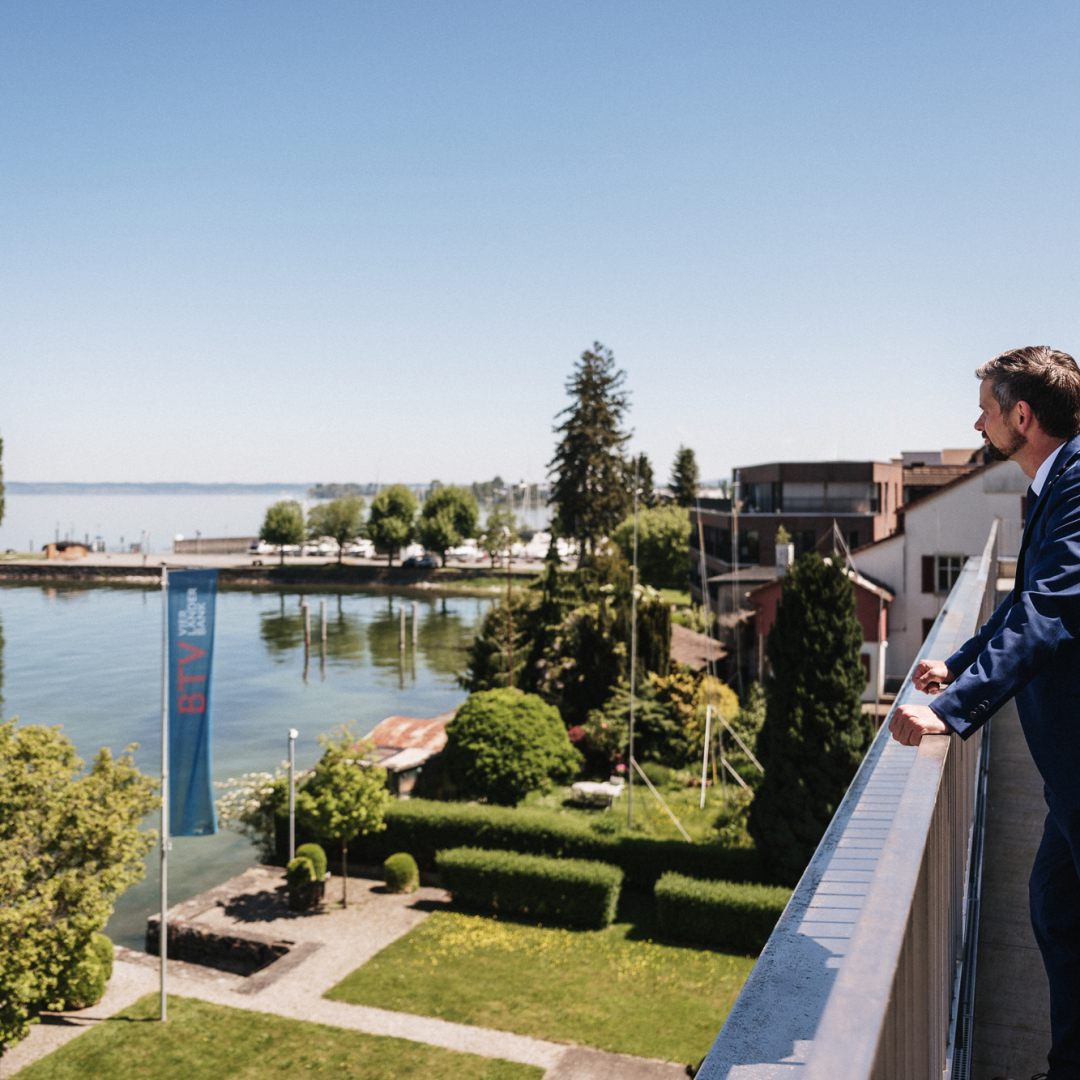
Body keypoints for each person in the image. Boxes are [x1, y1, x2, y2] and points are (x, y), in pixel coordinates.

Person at [889, 346, 1080, 1080]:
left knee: (1063, 911)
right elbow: (1026, 601)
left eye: (988, 409)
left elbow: (1052, 609)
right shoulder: (1054, 482)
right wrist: (961, 663)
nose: (978, 421)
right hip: (1067, 771)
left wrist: (955, 709)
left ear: (1021, 417)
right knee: (1057, 908)